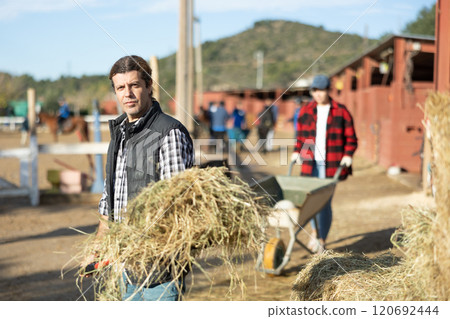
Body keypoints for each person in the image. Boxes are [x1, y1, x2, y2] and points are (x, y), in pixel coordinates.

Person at [82, 55, 194, 301]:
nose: (128, 93)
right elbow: (110, 197)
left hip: (159, 270)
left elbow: (176, 204)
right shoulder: (119, 133)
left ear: (149, 85)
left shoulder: (168, 133)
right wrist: (99, 246)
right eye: (121, 87)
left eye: (134, 85)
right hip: (125, 266)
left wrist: (141, 244)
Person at [291, 75, 357, 253]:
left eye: (321, 90)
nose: (318, 94)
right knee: (311, 200)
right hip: (310, 162)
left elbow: (351, 137)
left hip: (332, 163)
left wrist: (348, 154)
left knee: (325, 202)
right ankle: (314, 231)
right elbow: (301, 137)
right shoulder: (305, 111)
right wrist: (297, 151)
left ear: (328, 90)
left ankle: (322, 238)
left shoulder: (341, 111)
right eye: (315, 91)